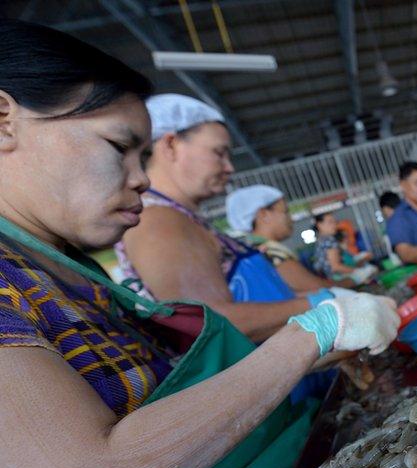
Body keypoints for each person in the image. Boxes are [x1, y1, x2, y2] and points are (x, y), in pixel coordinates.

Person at [0, 20, 400, 468]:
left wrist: (326, 343)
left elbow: (166, 399)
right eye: (119, 146)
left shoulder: (76, 274)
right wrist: (308, 335)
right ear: (5, 119)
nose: (141, 177)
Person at [115, 94, 339, 342]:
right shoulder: (156, 219)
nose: (229, 167)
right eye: (219, 153)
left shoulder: (182, 217)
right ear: (170, 145)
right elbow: (208, 326)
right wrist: (320, 304)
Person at [225, 184, 354, 292]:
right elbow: (316, 288)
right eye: (285, 212)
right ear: (264, 215)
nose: (290, 219)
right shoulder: (270, 252)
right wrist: (352, 281)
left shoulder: (254, 248)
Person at [311, 212, 378, 285]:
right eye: (330, 222)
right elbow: (336, 267)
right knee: (372, 269)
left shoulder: (321, 240)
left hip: (330, 279)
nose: (334, 224)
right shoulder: (329, 241)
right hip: (338, 278)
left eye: (334, 221)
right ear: (319, 225)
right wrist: (357, 271)